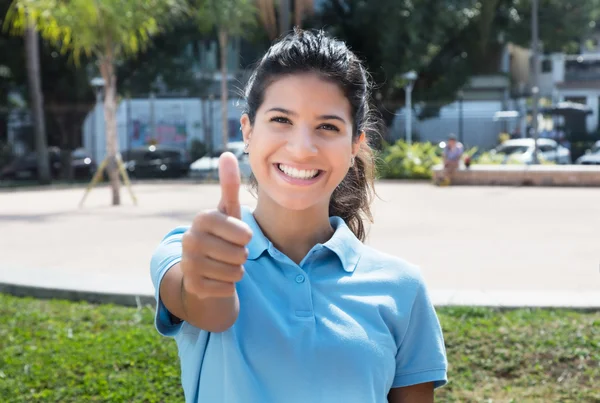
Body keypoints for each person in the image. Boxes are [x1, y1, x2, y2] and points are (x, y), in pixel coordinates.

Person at [150, 28, 447, 403]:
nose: (302, 149)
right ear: (247, 130)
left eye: (327, 126)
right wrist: (209, 282)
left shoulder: (402, 287)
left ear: (356, 143)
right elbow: (207, 309)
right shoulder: (189, 249)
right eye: (281, 120)